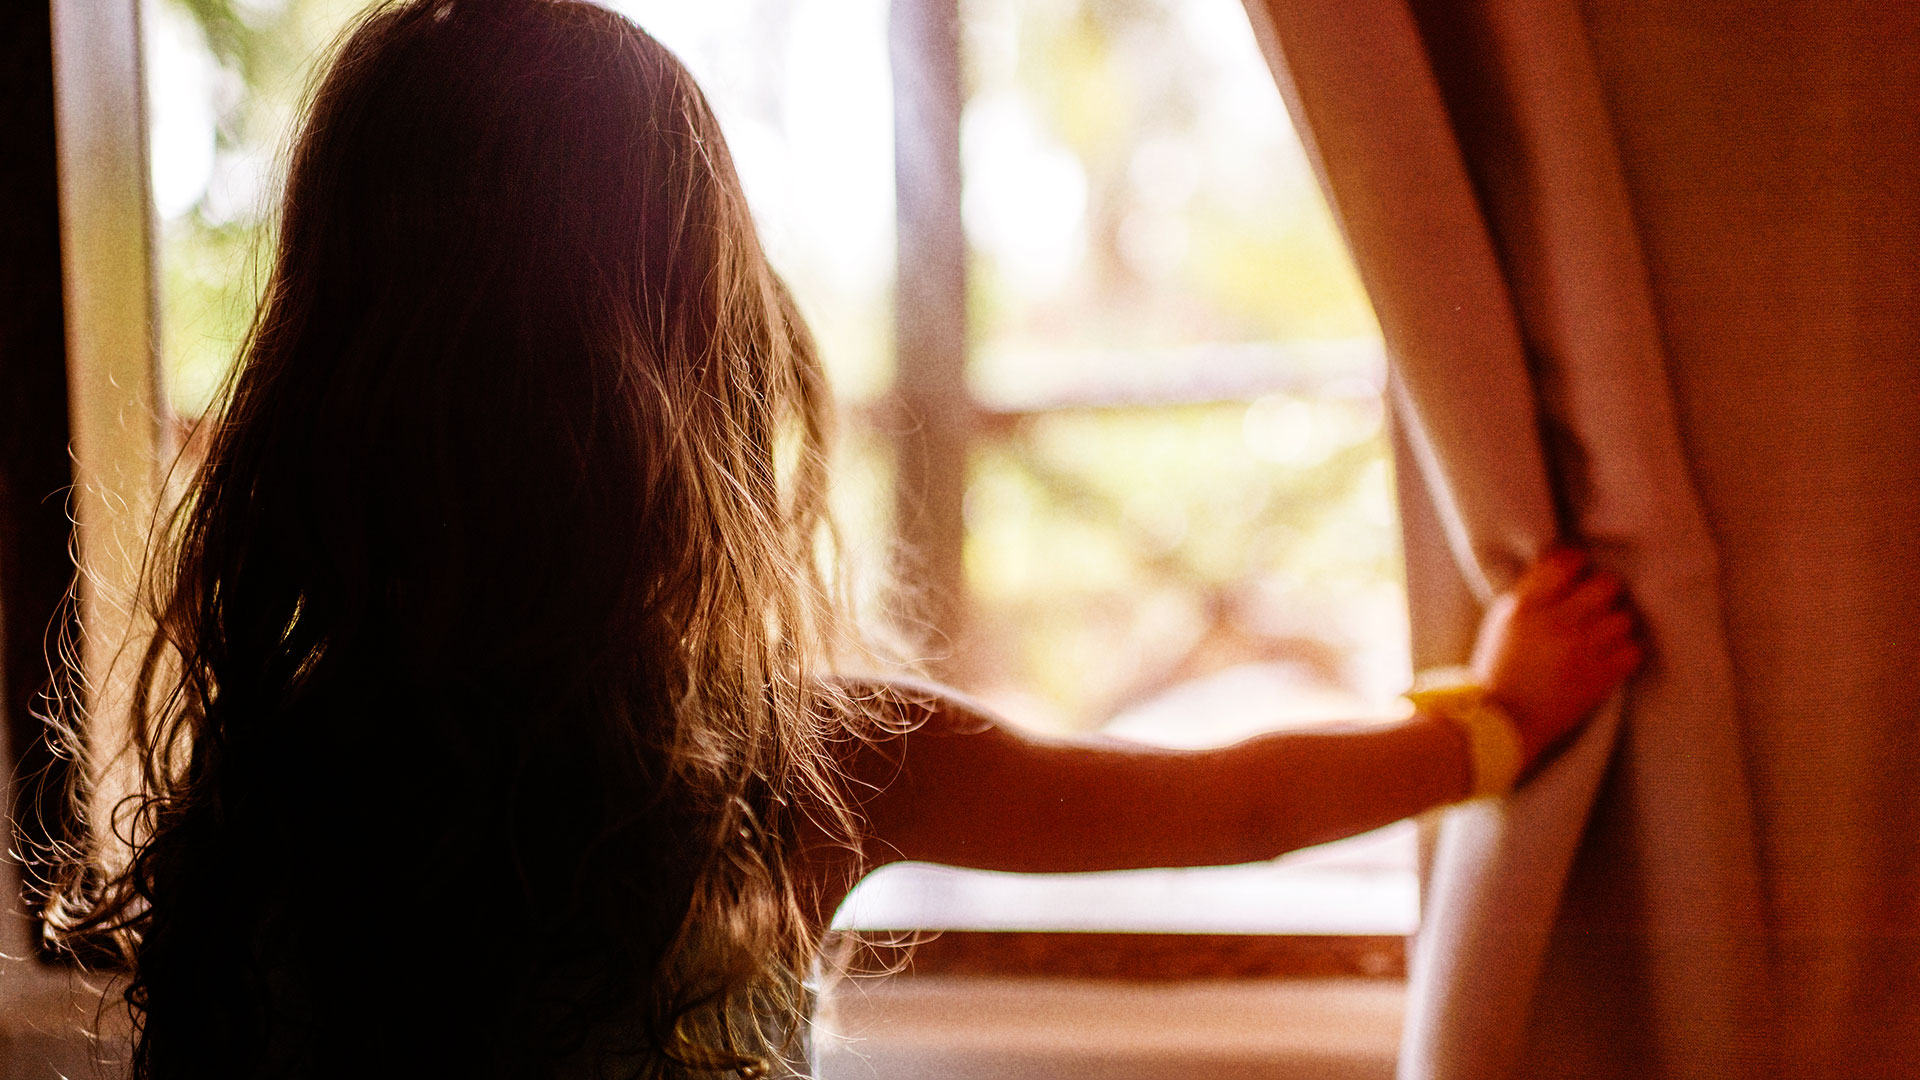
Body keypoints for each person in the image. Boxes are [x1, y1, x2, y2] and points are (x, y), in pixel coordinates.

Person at [44, 2, 1642, 1077]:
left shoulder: (269, 801)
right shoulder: (796, 770)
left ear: (321, 392)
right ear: (713, 377)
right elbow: (1240, 809)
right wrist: (1496, 721)